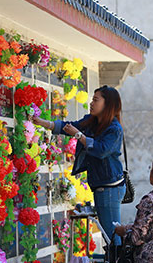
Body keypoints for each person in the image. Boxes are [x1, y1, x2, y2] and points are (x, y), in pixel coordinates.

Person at [33, 85, 126, 245]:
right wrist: (43, 123)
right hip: (101, 186)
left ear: (108, 104)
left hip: (110, 188)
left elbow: (101, 150)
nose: (91, 103)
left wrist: (78, 135)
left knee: (112, 236)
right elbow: (68, 126)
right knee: (109, 235)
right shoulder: (92, 122)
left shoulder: (114, 129)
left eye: (96, 100)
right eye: (92, 100)